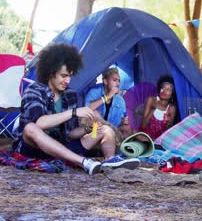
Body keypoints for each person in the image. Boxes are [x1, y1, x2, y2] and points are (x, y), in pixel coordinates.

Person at [13, 43, 140, 175]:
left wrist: (87, 129)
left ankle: (110, 161)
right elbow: (39, 123)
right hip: (33, 148)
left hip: (61, 147)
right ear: (51, 73)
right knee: (30, 128)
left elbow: (69, 134)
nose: (68, 81)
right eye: (64, 76)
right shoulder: (34, 91)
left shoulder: (70, 95)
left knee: (105, 130)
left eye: (70, 76)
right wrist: (73, 112)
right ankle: (84, 162)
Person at [85, 67, 132, 140]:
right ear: (105, 81)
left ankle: (122, 149)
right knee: (95, 113)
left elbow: (121, 120)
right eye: (114, 80)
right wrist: (107, 96)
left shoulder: (120, 100)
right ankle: (94, 143)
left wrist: (123, 121)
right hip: (95, 129)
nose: (118, 83)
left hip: (113, 130)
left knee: (128, 127)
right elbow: (87, 108)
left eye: (119, 81)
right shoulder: (95, 91)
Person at [139, 75, 178, 140]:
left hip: (160, 140)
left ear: (172, 94)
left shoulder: (171, 108)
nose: (164, 91)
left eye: (168, 89)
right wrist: (152, 109)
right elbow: (143, 126)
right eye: (163, 88)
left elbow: (168, 132)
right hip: (145, 138)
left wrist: (169, 124)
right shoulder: (151, 100)